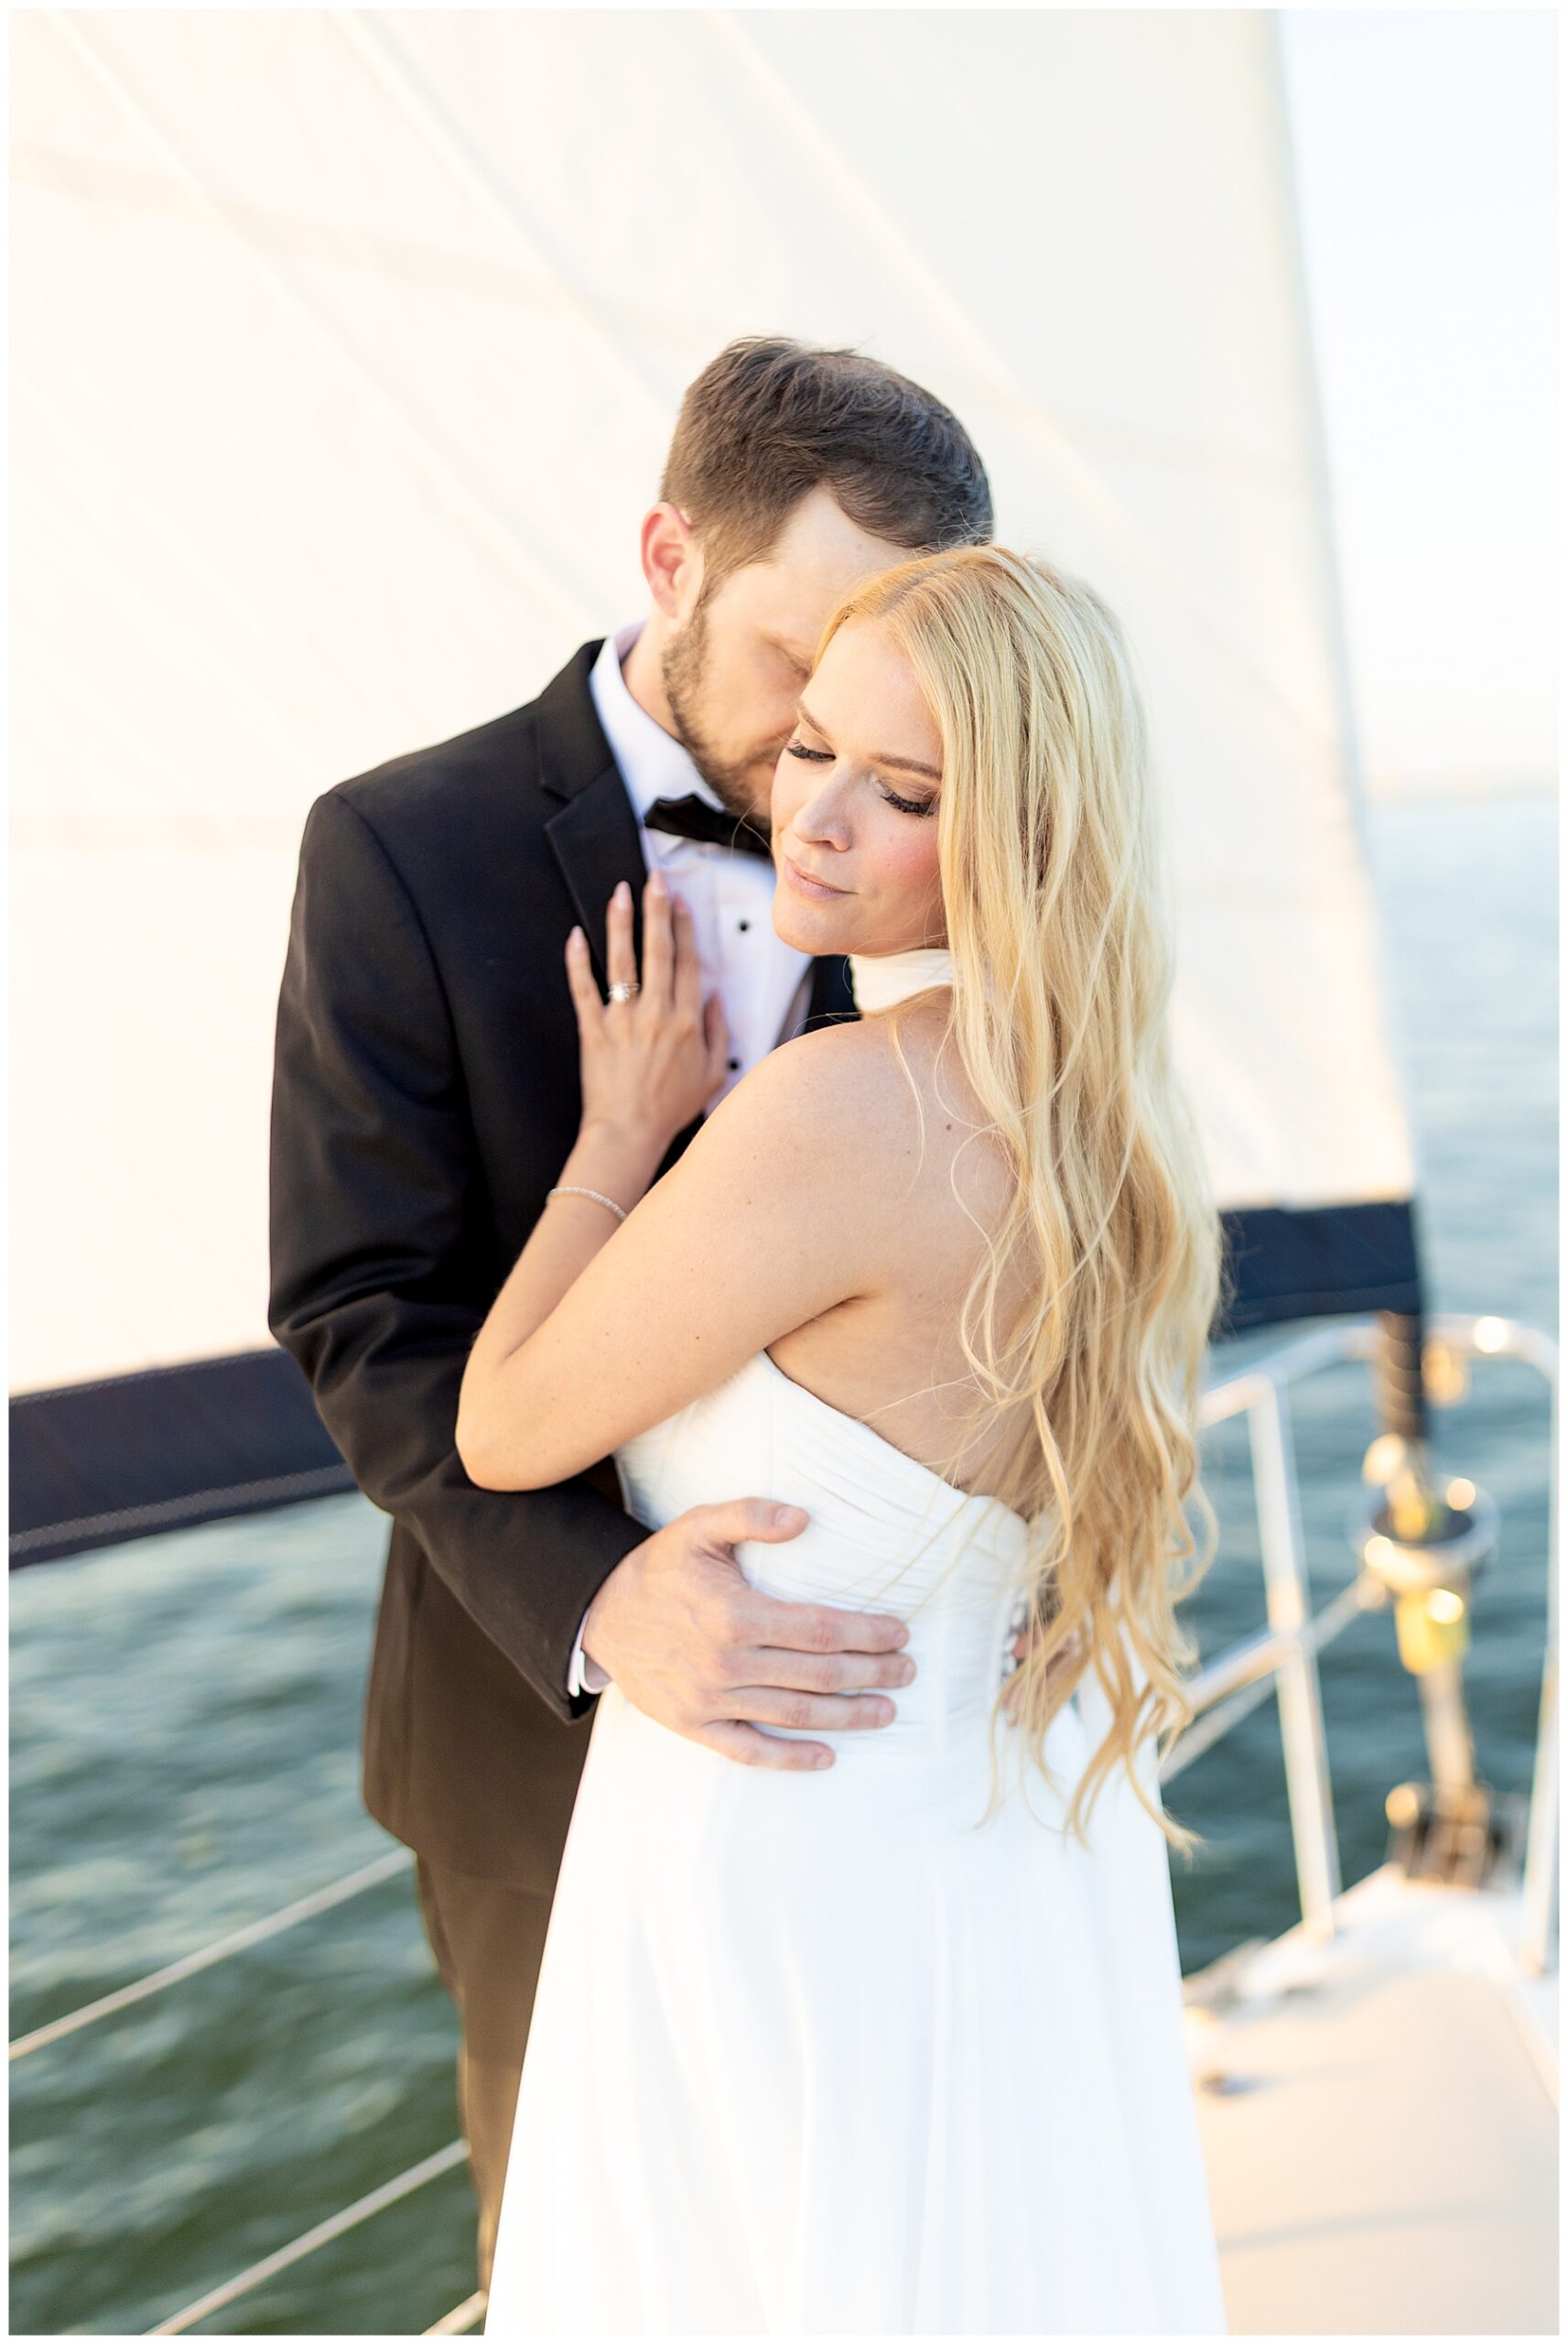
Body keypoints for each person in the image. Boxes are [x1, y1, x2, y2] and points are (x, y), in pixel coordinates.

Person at [266, 337, 994, 2294]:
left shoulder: (954, 855)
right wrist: (599, 1602)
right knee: (604, 2258)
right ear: (667, 554)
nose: (836, 741)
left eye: (890, 688)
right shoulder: (398, 852)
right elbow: (361, 1313)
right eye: (793, 665)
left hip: (880, 1747)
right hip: (535, 1741)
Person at [460, 547, 1229, 2333]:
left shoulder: (831, 1112)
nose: (811, 817)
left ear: (1015, 835)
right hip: (996, 1842)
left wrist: (613, 1138)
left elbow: (501, 1426)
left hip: (777, 1852)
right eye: (809, 747)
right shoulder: (1113, 1115)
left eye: (900, 792)